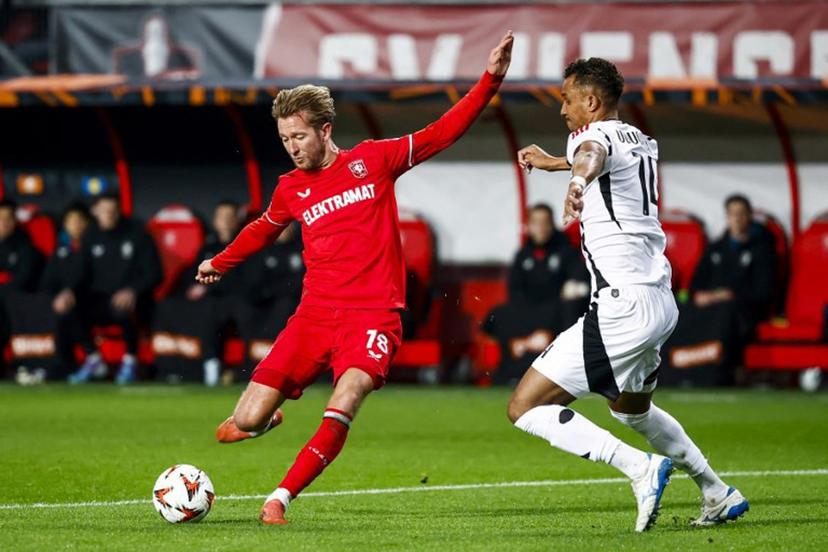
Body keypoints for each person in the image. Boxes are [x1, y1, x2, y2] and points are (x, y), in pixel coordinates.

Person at [195, 31, 514, 525]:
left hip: (373, 315)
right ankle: (260, 420)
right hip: (314, 315)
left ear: (325, 130)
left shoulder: (373, 161)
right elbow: (264, 227)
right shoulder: (290, 188)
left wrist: (490, 78)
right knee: (246, 419)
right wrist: (221, 261)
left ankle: (280, 497)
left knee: (346, 396)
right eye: (284, 140)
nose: (292, 148)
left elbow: (442, 131)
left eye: (298, 137)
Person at [509, 57, 748, 532]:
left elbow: (591, 155)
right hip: (659, 301)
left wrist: (574, 181)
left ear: (591, 102)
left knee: (525, 407)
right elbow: (601, 156)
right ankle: (716, 491)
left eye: (567, 100)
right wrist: (556, 164)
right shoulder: (641, 139)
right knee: (631, 410)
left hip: (622, 305)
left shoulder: (589, 139)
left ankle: (641, 469)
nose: (563, 112)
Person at [484, 203, 588, 385]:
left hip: (557, 309)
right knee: (498, 314)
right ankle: (509, 369)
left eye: (544, 223)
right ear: (529, 226)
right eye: (536, 223)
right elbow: (514, 290)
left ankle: (564, 371)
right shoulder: (523, 254)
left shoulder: (565, 252)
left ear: (552, 224)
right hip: (529, 310)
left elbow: (579, 281)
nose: (540, 228)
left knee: (569, 311)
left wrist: (572, 289)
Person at [67, 194, 162, 384]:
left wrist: (133, 290)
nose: (109, 214)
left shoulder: (137, 233)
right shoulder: (90, 235)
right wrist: (68, 290)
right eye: (104, 210)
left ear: (119, 211)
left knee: (123, 309)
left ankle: (130, 361)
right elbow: (80, 272)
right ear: (95, 211)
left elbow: (155, 273)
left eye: (113, 210)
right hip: (99, 298)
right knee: (70, 308)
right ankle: (94, 360)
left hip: (133, 299)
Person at [691, 194, 775, 336]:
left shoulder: (762, 250)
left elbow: (763, 291)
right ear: (727, 217)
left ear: (749, 216)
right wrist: (700, 296)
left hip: (742, 310)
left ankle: (715, 356)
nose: (737, 218)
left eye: (741, 213)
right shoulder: (715, 248)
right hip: (712, 305)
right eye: (732, 213)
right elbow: (696, 282)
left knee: (726, 315)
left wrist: (731, 295)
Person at [40, 202, 94, 377]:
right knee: (56, 310)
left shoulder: (95, 248)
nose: (76, 225)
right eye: (71, 221)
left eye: (80, 220)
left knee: (69, 311)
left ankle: (92, 357)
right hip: (62, 301)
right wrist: (56, 295)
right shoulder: (61, 250)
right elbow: (48, 280)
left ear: (87, 223)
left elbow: (93, 277)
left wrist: (72, 292)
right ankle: (63, 365)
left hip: (89, 299)